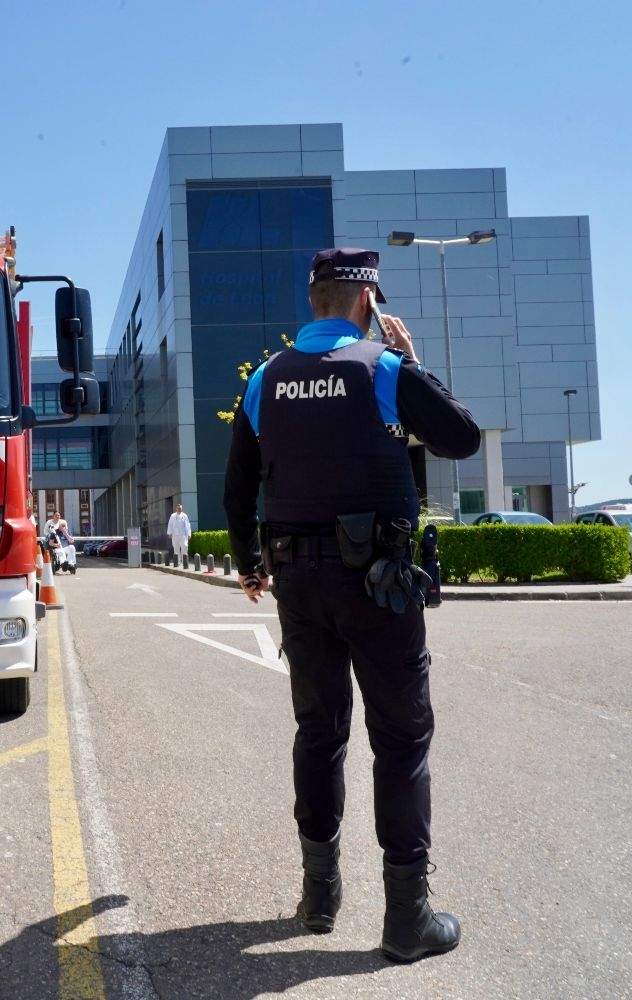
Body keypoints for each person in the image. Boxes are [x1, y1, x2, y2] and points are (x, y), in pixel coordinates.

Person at [223, 247, 481, 963]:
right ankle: (407, 920)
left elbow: (237, 488)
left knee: (319, 731)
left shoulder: (265, 380)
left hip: (299, 586)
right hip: (380, 586)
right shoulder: (385, 370)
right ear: (369, 303)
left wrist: (248, 566)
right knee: (400, 741)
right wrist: (412, 359)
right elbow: (460, 438)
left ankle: (319, 897)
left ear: (314, 303)